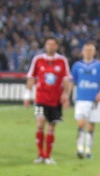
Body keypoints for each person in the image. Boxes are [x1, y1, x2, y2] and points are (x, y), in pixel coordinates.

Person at [25, 37, 72, 165]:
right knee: (40, 123)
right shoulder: (38, 59)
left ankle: (48, 156)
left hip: (55, 100)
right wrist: (27, 95)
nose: (51, 46)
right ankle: (40, 155)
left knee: (51, 127)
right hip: (40, 98)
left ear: (56, 46)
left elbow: (67, 79)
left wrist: (66, 95)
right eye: (48, 44)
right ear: (45, 46)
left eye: (53, 44)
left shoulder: (62, 60)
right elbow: (31, 77)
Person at [70, 42, 100, 159]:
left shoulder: (99, 65)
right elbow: (72, 81)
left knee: (91, 127)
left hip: (94, 101)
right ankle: (80, 148)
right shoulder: (77, 65)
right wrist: (67, 95)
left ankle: (88, 150)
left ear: (94, 52)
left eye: (90, 50)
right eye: (86, 50)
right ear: (82, 51)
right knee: (81, 124)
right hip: (81, 99)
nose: (88, 52)